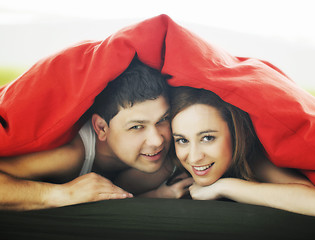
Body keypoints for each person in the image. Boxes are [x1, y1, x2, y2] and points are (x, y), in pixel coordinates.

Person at [0, 57, 192, 211]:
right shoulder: (70, 154)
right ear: (101, 128)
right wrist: (63, 194)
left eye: (162, 119)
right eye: (136, 127)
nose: (157, 140)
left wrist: (156, 196)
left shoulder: (166, 159)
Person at [169, 86, 315, 218]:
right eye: (182, 140)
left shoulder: (254, 159)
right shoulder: (168, 163)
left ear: (236, 134)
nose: (194, 157)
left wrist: (225, 187)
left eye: (207, 138)